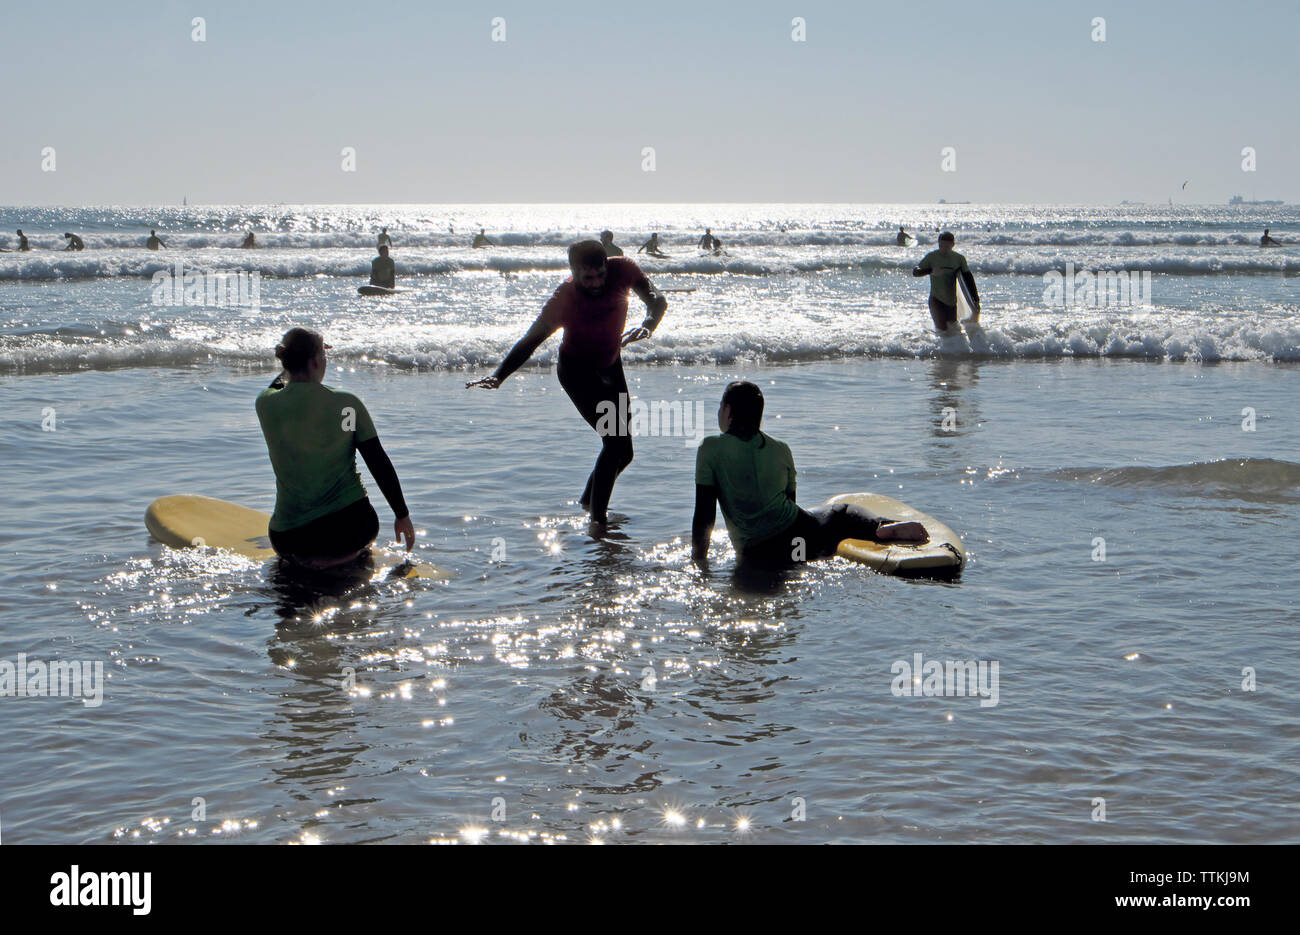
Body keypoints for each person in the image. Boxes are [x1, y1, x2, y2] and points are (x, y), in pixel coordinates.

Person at [467, 240, 667, 527]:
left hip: (611, 364)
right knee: (613, 443)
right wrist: (500, 375)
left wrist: (648, 324)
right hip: (577, 371)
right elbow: (530, 341)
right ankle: (598, 524)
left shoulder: (623, 269)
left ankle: (588, 503)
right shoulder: (564, 297)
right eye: (588, 278)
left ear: (607, 266)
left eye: (600, 275)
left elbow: (657, 300)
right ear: (574, 273)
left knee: (625, 452)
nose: (597, 283)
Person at [692, 381, 927, 567]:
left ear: (728, 410)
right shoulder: (780, 449)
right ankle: (879, 527)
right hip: (802, 541)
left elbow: (705, 514)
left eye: (720, 407)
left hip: (755, 552)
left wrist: (699, 561)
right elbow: (790, 502)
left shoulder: (710, 449)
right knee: (842, 512)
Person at [255, 327, 415, 567]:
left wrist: (299, 358)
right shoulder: (346, 406)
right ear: (317, 361)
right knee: (355, 562)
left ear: (287, 362)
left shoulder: (266, 404)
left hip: (288, 538)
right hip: (349, 531)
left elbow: (279, 384)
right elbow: (376, 460)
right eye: (323, 356)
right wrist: (402, 515)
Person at [912, 231, 979, 332]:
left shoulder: (959, 259)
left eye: (947, 246)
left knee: (953, 330)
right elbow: (915, 272)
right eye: (941, 246)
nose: (943, 249)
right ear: (938, 243)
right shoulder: (932, 257)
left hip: (951, 302)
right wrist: (930, 271)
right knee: (942, 330)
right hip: (936, 300)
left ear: (953, 245)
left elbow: (968, 279)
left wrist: (976, 300)